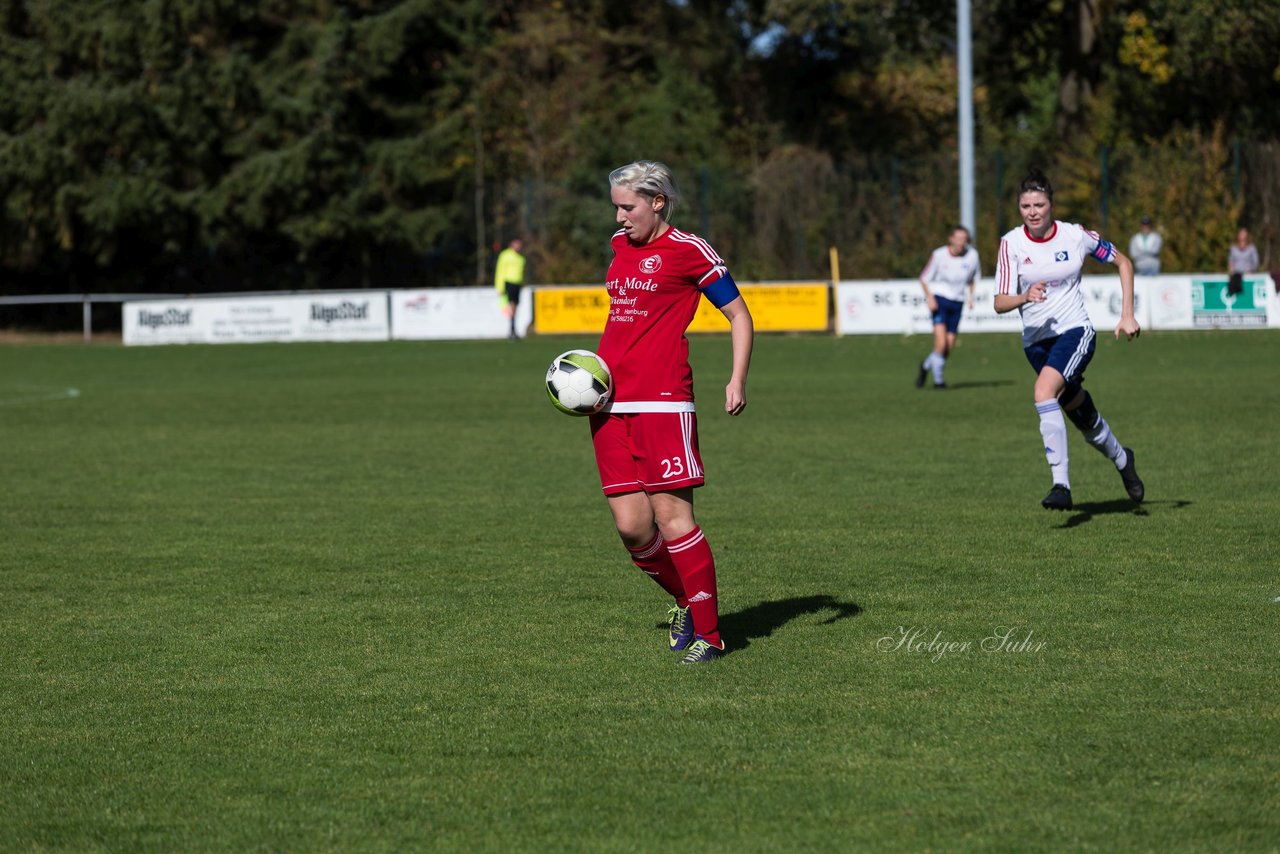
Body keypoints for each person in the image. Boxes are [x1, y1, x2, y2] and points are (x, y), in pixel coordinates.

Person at [591, 160, 753, 664]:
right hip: (607, 405)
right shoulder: (620, 248)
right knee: (632, 528)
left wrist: (736, 378)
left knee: (673, 517)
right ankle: (685, 599)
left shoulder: (689, 251)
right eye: (616, 207)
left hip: (663, 402)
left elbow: (739, 314)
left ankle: (710, 635)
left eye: (628, 207)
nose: (619, 218)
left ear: (657, 202)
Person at [993, 167, 1145, 511]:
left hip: (1075, 332)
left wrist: (1127, 314)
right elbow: (1000, 302)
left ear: (1051, 205)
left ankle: (1061, 485)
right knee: (1080, 414)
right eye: (1026, 206)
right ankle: (1123, 459)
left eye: (1039, 205)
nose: (1033, 212)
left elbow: (1123, 262)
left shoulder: (1076, 236)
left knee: (1043, 392)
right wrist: (1024, 296)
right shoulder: (1010, 243)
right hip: (1036, 344)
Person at [914, 225, 980, 390]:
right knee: (941, 343)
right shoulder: (939, 255)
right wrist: (929, 298)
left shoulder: (972, 256)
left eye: (963, 239)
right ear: (951, 239)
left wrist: (971, 298)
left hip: (958, 302)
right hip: (940, 301)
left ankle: (925, 366)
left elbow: (972, 278)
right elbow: (924, 278)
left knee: (947, 348)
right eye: (957, 238)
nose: (960, 242)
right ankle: (939, 382)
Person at [494, 237, 526, 339]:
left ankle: (513, 329)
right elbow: (500, 271)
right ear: (511, 244)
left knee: (515, 306)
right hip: (508, 282)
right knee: (511, 305)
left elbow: (522, 273)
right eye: (517, 244)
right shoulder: (505, 255)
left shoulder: (521, 258)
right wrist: (499, 286)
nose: (519, 246)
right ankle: (512, 330)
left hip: (517, 284)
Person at [1227, 227, 1258, 297]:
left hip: (1248, 275)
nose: (1242, 237)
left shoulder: (1252, 248)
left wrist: (1250, 270)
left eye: (1244, 235)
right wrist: (1231, 269)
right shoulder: (1233, 248)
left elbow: (1255, 263)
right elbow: (1230, 261)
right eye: (1241, 234)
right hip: (1236, 275)